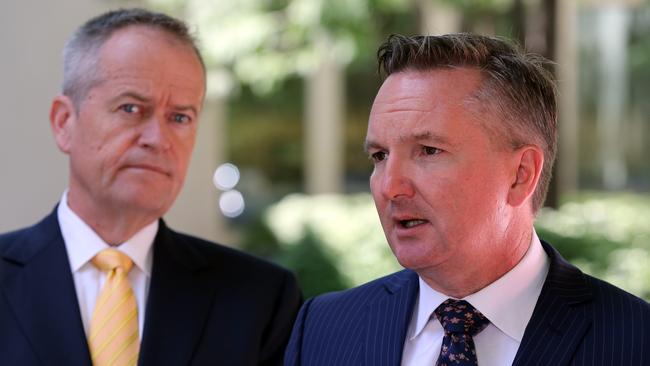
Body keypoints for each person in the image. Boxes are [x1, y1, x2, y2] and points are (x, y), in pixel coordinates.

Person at [285, 33, 650, 366]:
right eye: (379, 156)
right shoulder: (321, 328)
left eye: (428, 151)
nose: (390, 187)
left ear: (521, 174)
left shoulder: (635, 341)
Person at [0, 8, 301, 366]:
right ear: (65, 123)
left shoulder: (260, 299)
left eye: (180, 117)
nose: (158, 139)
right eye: (130, 108)